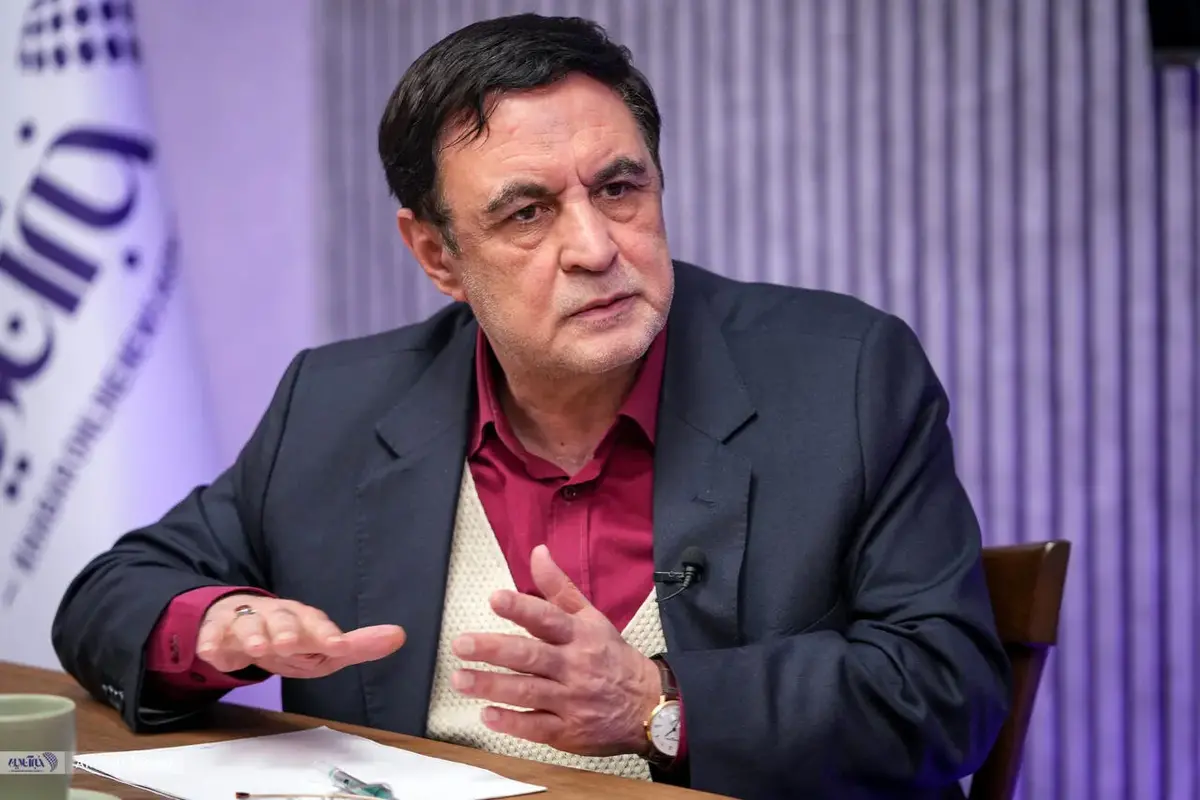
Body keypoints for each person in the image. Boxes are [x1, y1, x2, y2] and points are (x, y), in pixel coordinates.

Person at [52, 13, 1010, 799]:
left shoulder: (842, 376)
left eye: (619, 188)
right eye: (527, 213)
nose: (595, 247)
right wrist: (215, 623)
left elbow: (947, 690)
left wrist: (657, 705)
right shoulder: (338, 402)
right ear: (436, 255)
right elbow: (114, 592)